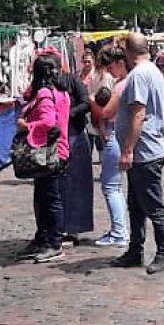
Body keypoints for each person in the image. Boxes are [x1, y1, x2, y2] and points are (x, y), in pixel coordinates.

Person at [113, 33, 164, 274]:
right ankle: (135, 249)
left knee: (152, 203)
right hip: (149, 148)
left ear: (128, 51)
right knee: (135, 203)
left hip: (145, 152)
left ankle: (163, 253)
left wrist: (128, 149)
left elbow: (138, 113)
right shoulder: (152, 70)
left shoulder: (139, 75)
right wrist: (161, 125)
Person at [16, 54, 71, 263]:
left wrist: (26, 126)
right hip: (57, 151)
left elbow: (48, 122)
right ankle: (44, 237)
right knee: (44, 197)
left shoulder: (46, 94)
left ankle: (53, 242)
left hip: (51, 153)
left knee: (49, 199)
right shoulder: (60, 92)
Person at [53, 47, 94, 242]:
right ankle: (57, 226)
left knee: (75, 183)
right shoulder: (46, 85)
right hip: (55, 137)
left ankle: (74, 228)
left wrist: (68, 113)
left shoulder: (72, 80)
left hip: (74, 134)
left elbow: (86, 103)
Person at [91, 45, 129, 247]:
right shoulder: (125, 82)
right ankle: (119, 229)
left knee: (111, 187)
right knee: (116, 187)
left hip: (115, 133)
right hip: (118, 133)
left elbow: (106, 112)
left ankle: (118, 231)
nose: (108, 71)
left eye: (109, 66)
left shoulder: (121, 85)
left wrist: (94, 104)